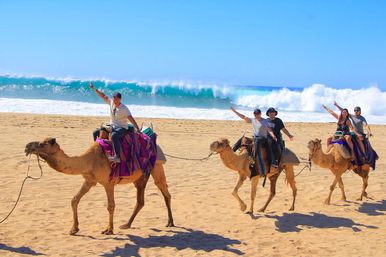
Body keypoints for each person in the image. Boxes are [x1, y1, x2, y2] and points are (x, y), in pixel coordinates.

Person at [90, 82, 140, 163]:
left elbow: (131, 118)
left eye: (117, 99)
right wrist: (94, 88)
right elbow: (103, 95)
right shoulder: (112, 103)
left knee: (114, 136)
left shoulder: (124, 108)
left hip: (122, 128)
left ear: (120, 99)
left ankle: (117, 157)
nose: (115, 101)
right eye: (114, 99)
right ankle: (97, 153)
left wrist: (137, 128)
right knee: (95, 132)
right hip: (112, 126)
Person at [230, 107, 277, 176]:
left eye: (257, 113)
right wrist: (234, 111)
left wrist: (273, 135)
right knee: (243, 138)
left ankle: (253, 158)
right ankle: (232, 152)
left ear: (260, 114)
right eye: (255, 114)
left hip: (263, 139)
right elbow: (243, 117)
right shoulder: (253, 120)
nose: (256, 115)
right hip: (255, 138)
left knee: (258, 140)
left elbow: (269, 129)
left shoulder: (264, 121)